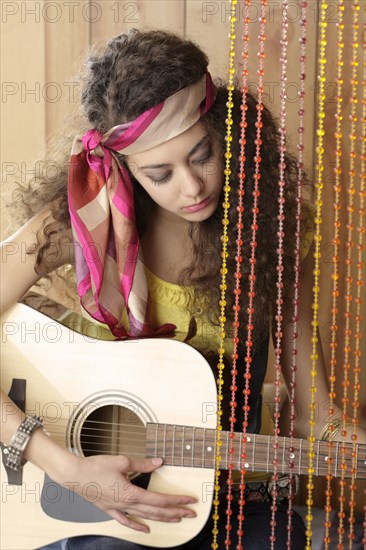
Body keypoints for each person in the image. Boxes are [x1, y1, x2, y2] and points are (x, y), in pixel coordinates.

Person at [1, 29, 363, 550]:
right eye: (160, 173)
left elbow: (319, 418)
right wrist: (60, 465)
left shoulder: (269, 235)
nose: (192, 187)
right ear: (123, 167)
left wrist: (347, 444)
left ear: (224, 131)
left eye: (201, 155)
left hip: (233, 499)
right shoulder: (78, 225)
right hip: (96, 505)